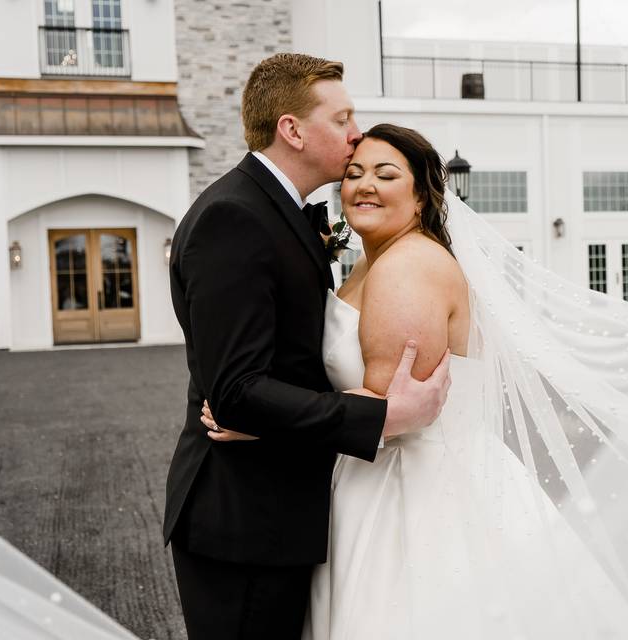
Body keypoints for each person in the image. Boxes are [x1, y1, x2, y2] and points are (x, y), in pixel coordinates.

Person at [204, 121, 628, 639]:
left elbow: (388, 412)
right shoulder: (380, 262)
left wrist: (262, 421)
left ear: (425, 192)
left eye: (385, 173)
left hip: (408, 495)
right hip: (385, 478)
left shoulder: (407, 270)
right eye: (354, 173)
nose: (364, 185)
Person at [164, 55, 451, 640]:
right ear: (292, 129)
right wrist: (385, 415)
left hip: (282, 511)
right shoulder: (234, 217)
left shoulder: (276, 213)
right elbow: (236, 391)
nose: (354, 134)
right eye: (342, 118)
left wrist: (266, 421)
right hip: (244, 521)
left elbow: (270, 375)